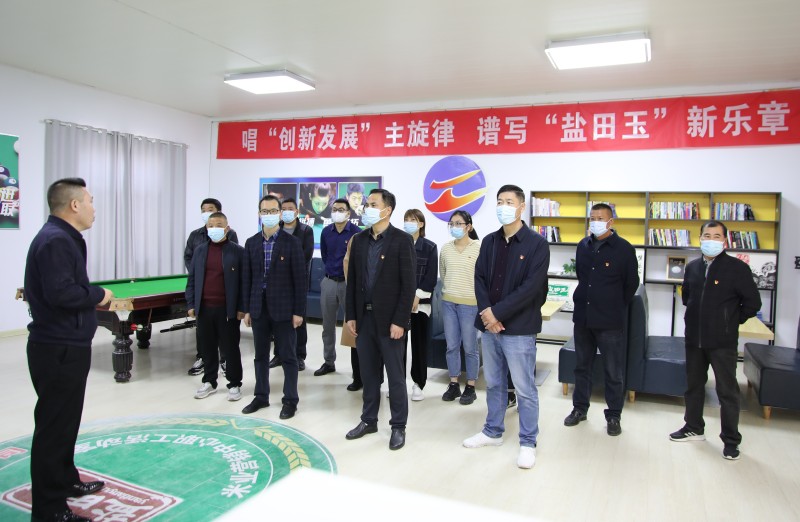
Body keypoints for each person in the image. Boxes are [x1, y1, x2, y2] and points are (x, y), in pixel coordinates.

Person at [25, 178, 114, 522]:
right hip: (57, 347)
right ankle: (49, 510)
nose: (94, 208)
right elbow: (62, 293)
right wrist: (99, 294)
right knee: (54, 428)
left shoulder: (62, 237)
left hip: (68, 344)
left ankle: (65, 480)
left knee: (66, 422)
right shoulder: (56, 241)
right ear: (75, 205)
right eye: (90, 201)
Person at [463, 184, 549, 470]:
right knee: (494, 383)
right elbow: (479, 278)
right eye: (500, 201)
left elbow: (531, 288)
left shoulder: (537, 244)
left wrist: (497, 313)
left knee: (524, 388)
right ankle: (492, 431)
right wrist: (488, 314)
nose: (503, 206)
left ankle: (528, 442)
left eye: (509, 202)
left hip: (519, 329)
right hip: (489, 327)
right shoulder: (489, 241)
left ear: (522, 207)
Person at [669, 220, 761, 460]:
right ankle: (694, 427)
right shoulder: (693, 268)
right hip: (694, 339)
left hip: (723, 342)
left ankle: (730, 440)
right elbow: (687, 297)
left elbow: (752, 303)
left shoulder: (737, 268)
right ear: (700, 238)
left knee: (727, 391)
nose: (711, 240)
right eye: (707, 236)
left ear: (725, 241)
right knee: (693, 386)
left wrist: (730, 320)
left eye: (717, 236)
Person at [344, 188, 416, 450]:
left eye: (373, 204)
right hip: (364, 319)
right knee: (369, 374)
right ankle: (369, 420)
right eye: (367, 204)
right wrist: (351, 315)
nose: (367, 208)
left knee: (395, 377)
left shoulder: (402, 240)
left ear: (387, 210)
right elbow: (353, 281)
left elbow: (408, 285)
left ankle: (398, 426)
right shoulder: (359, 240)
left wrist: (400, 321)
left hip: (390, 322)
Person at [563, 203, 639, 436]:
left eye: (600, 218)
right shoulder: (583, 246)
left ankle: (614, 415)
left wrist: (613, 303)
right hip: (583, 318)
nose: (595, 222)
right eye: (592, 218)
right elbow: (582, 276)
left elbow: (631, 284)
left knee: (613, 371)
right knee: (581, 367)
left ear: (610, 222)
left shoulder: (624, 249)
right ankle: (580, 409)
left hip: (609, 321)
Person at [241, 195, 307, 419]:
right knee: (260, 356)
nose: (268, 215)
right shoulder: (251, 243)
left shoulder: (292, 243)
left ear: (280, 214)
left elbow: (300, 280)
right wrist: (247, 309)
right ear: (259, 214)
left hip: (284, 309)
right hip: (258, 308)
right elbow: (247, 279)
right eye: (264, 211)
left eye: (272, 211)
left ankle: (290, 400)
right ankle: (261, 396)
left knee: (288, 357)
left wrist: (298, 312)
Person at [186, 211, 245, 402]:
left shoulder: (238, 251)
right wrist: (191, 304)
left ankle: (234, 383)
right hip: (204, 308)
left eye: (219, 225)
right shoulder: (200, 251)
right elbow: (192, 279)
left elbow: (244, 282)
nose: (214, 229)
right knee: (207, 347)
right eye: (211, 226)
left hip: (228, 310)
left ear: (227, 229)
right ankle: (209, 381)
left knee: (230, 348)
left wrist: (242, 307)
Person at [316, 198, 360, 388]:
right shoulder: (326, 232)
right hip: (329, 282)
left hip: (348, 284)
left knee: (353, 327)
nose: (337, 212)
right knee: (327, 326)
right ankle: (329, 362)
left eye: (341, 209)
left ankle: (358, 371)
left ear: (348, 213)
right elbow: (325, 256)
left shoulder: (356, 233)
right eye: (334, 209)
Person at [438, 210, 481, 405]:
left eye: (458, 223)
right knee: (452, 346)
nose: (454, 227)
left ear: (468, 227)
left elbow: (482, 277)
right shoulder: (446, 249)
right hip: (448, 303)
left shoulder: (478, 247)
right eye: (452, 224)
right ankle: (454, 383)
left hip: (470, 305)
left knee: (470, 347)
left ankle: (470, 386)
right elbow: (443, 274)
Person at [268, 197, 314, 371]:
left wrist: (287, 264)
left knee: (299, 319)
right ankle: (279, 354)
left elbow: (306, 255)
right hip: (277, 282)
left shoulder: (305, 230)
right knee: (277, 320)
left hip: (297, 281)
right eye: (284, 209)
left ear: (297, 211)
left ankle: (299, 355)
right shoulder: (276, 230)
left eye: (290, 208)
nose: (287, 211)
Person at [402, 209, 438, 401]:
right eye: (406, 219)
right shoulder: (398, 244)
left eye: (413, 220)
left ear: (421, 224)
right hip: (400, 304)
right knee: (398, 346)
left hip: (420, 305)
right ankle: (398, 383)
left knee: (419, 345)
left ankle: (418, 383)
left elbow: (431, 277)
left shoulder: (430, 247)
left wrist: (416, 296)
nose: (409, 223)